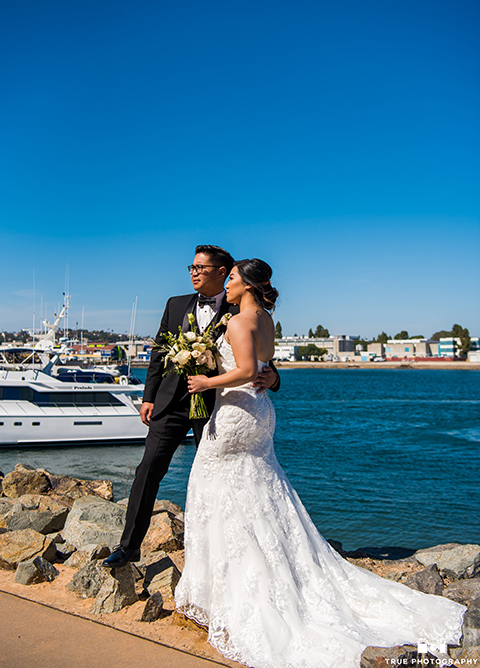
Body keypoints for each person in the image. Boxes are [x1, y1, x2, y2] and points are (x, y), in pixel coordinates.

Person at [175, 258, 466, 668]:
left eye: (234, 277)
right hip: (261, 413)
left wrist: (205, 380)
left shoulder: (238, 322)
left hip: (237, 411)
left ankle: (227, 590)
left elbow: (243, 370)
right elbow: (264, 368)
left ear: (249, 285)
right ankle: (269, 568)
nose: (229, 282)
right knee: (260, 489)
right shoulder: (267, 321)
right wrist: (268, 377)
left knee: (217, 489)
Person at [104, 245, 280, 569]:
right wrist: (148, 397)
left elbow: (259, 360)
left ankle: (218, 554)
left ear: (222, 272)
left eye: (201, 267)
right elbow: (158, 354)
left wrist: (274, 379)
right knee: (148, 471)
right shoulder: (175, 305)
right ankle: (128, 547)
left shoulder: (240, 308)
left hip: (216, 409)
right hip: (171, 403)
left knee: (213, 480)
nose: (194, 272)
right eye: (192, 267)